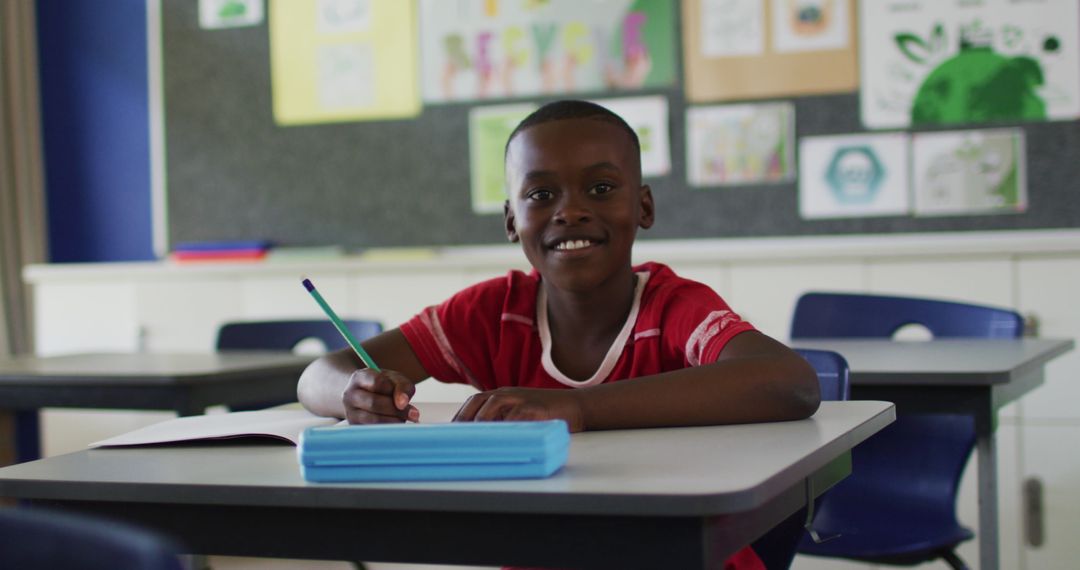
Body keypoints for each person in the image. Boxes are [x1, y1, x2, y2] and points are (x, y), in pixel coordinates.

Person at [297, 99, 820, 570]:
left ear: (644, 207)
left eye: (600, 188)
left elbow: (789, 382)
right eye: (541, 193)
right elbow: (318, 376)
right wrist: (353, 392)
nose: (570, 210)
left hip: (678, 554)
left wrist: (578, 408)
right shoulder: (492, 313)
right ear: (510, 220)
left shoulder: (672, 305)